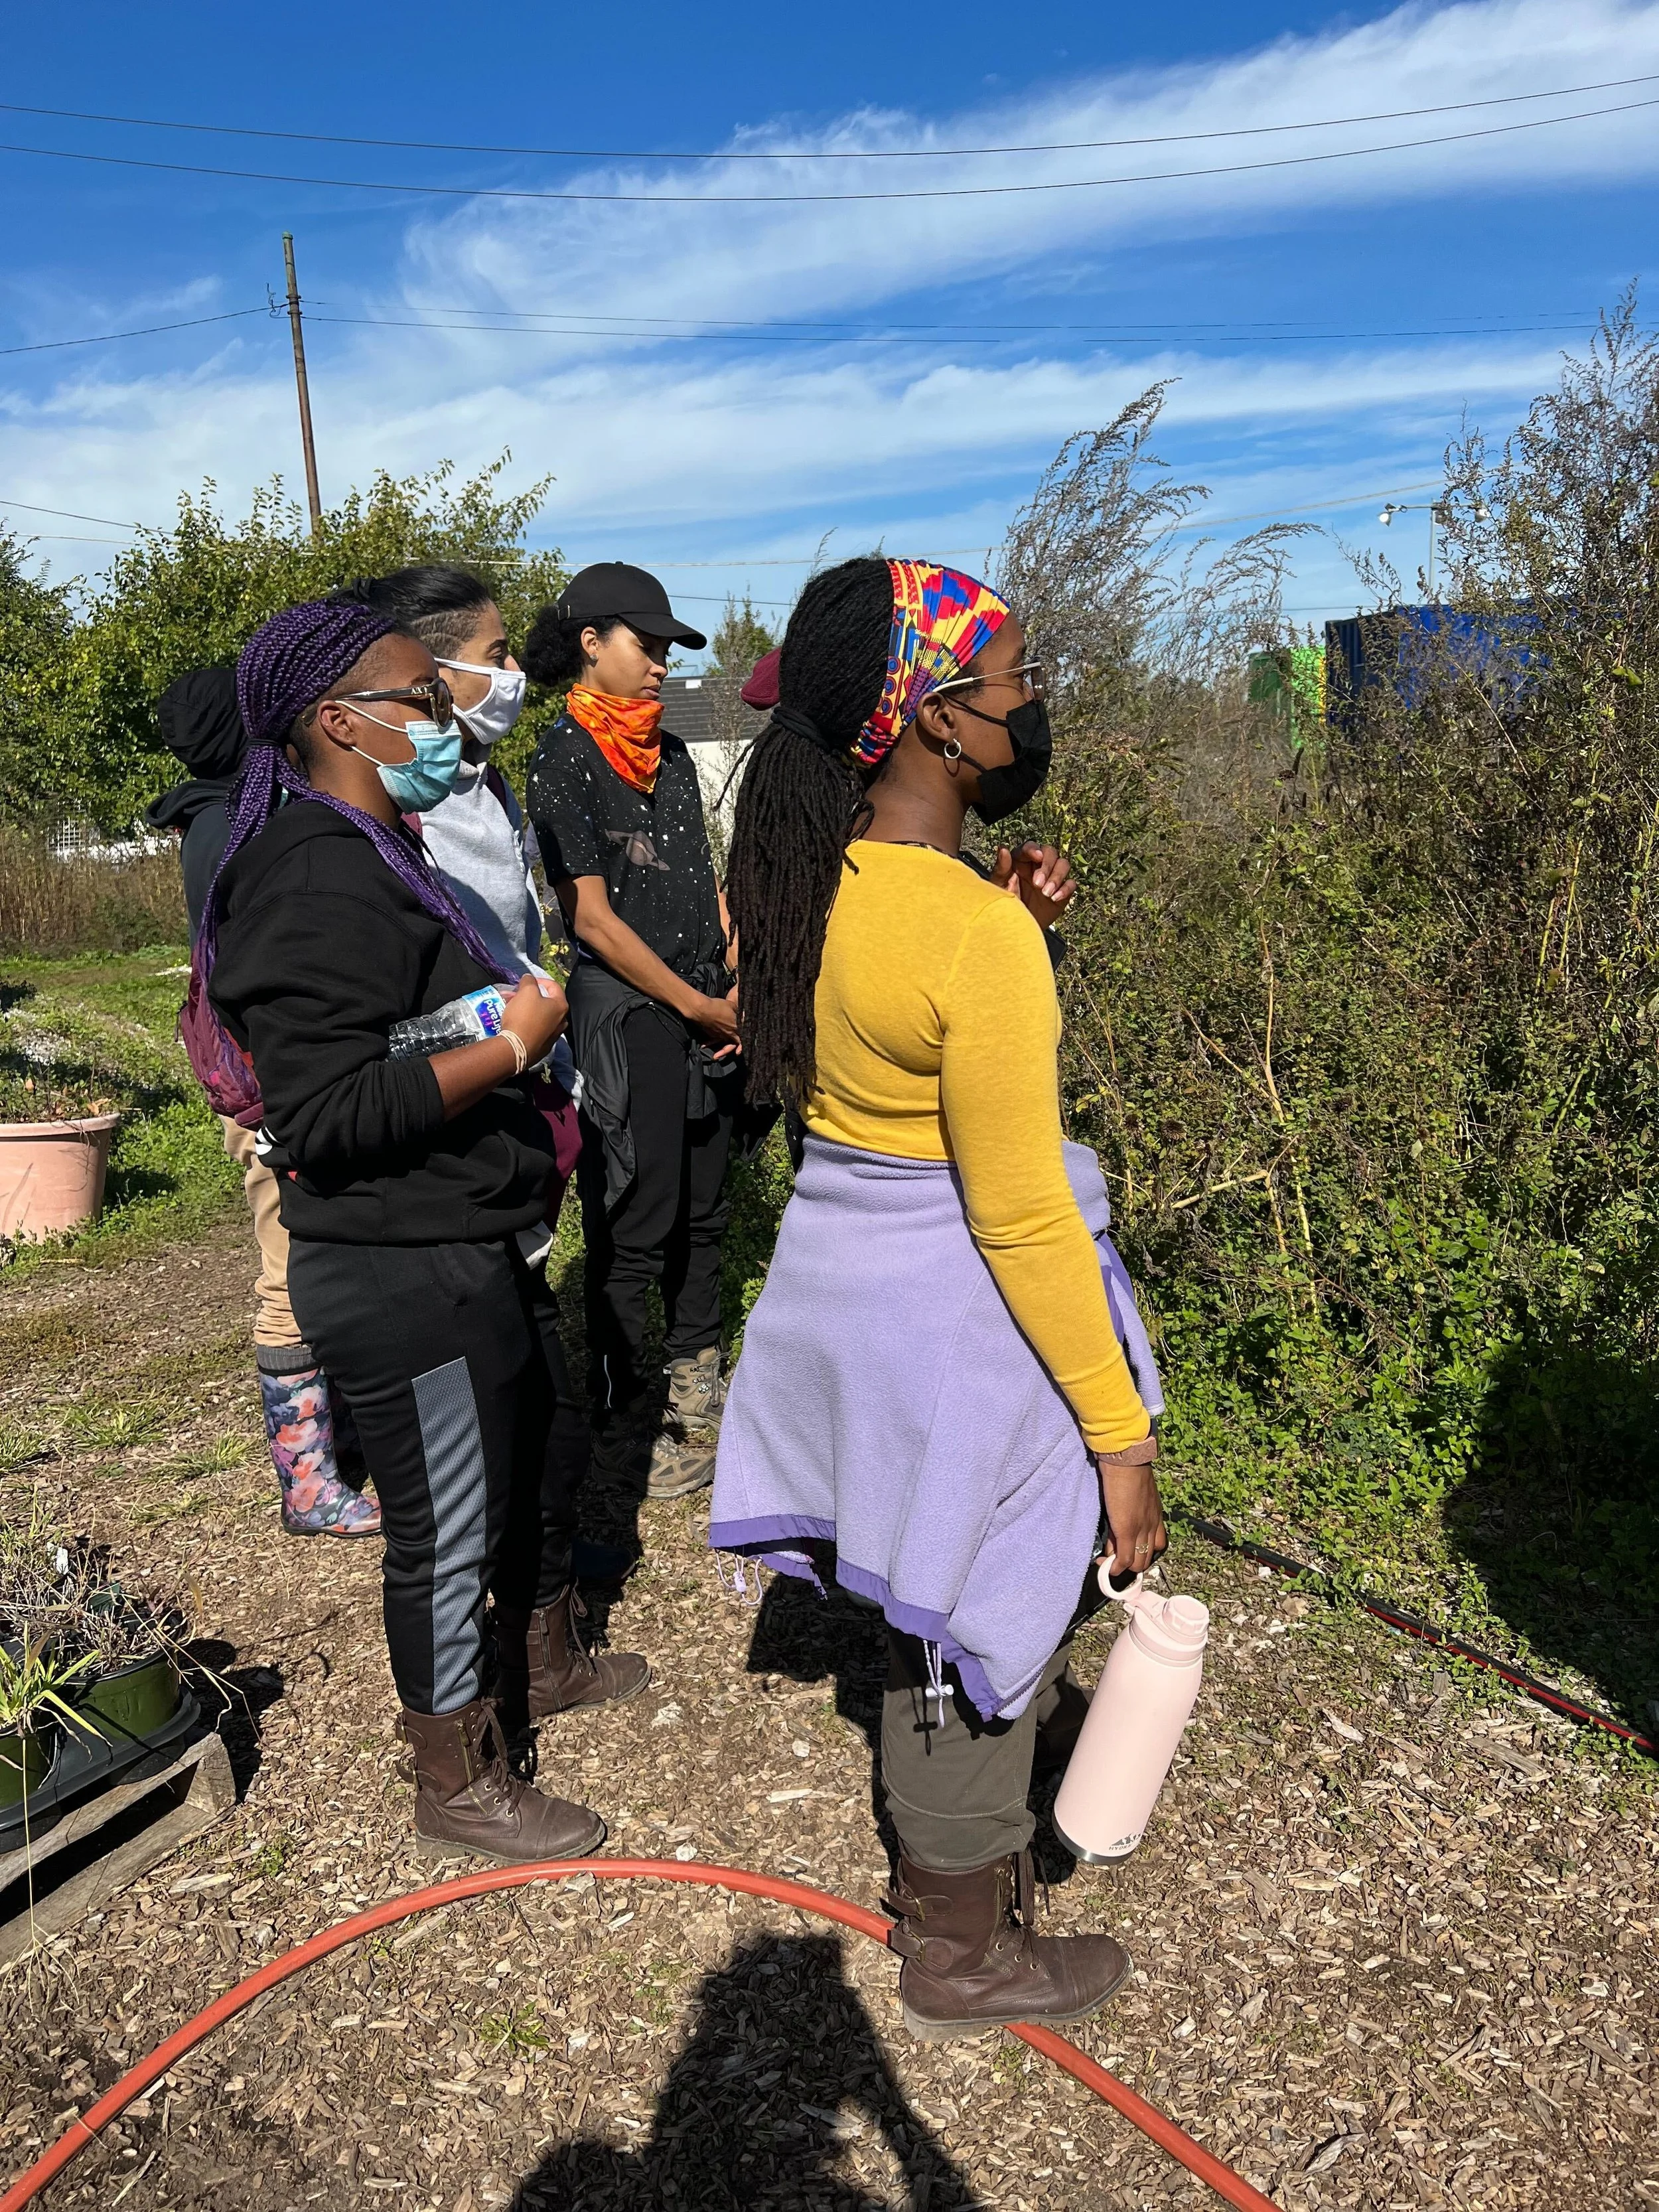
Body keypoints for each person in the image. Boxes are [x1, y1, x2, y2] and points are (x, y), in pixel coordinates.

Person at [709, 557, 1168, 2042]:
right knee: (990, 1615)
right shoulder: (968, 931)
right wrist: (1116, 1437)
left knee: (919, 1598)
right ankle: (959, 1944)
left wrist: (1009, 921)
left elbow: (880, 1064)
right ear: (929, 721)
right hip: (961, 1316)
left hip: (849, 1295)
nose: (1031, 706)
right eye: (1012, 681)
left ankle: (953, 1888)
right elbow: (1023, 1209)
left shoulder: (817, 877)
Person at [204, 599, 648, 1863]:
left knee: (509, 1486)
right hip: (400, 1273)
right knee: (446, 1529)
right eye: (423, 699)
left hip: (459, 1243)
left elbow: (388, 1034)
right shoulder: (312, 869)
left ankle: (532, 1674)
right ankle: (458, 1781)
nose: (448, 720)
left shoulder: (378, 843)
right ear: (339, 722)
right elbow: (329, 1109)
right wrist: (510, 1042)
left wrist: (481, 1028)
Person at [334, 564, 629, 1618]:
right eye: (498, 655)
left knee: (533, 1364)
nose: (515, 673)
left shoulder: (475, 775)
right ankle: (521, 1599)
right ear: (423, 667)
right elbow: (382, 1028)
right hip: (466, 1100)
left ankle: (539, 1589)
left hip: (518, 1086)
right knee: (498, 1392)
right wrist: (501, 1039)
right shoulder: (382, 816)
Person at [524, 563, 741, 1502]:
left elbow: (704, 882)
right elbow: (596, 923)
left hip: (707, 1006)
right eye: (646, 647)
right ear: (591, 642)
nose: (660, 667)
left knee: (707, 1208)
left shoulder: (675, 755)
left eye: (665, 651)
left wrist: (731, 982)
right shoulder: (564, 757)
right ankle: (627, 1417)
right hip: (632, 1016)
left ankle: (699, 1403)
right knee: (637, 1218)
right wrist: (692, 1008)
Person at [149, 668, 380, 1540]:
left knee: (322, 1268)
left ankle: (337, 1437)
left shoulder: (220, 817)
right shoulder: (227, 828)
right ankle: (307, 1483)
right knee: (288, 1276)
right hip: (267, 1093)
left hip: (274, 1084)